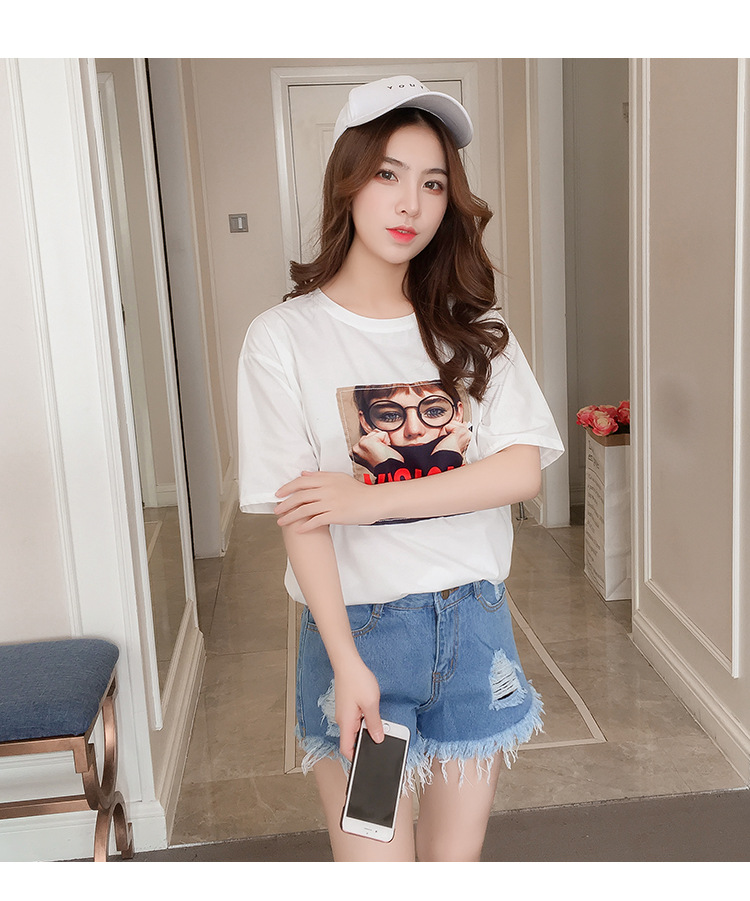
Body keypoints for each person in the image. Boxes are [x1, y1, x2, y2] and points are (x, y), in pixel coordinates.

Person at [237, 75, 564, 862]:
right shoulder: (282, 339)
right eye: (387, 174)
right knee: (377, 864)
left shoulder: (473, 329)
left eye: (433, 183)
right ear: (348, 181)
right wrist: (347, 662)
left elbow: (521, 471)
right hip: (363, 639)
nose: (409, 203)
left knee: (453, 866)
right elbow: (301, 517)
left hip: (475, 634)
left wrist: (367, 499)